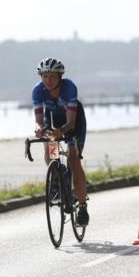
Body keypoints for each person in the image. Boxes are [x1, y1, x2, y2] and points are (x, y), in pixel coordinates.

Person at [32, 57, 89, 226]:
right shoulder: (38, 91)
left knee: (73, 160)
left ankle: (83, 207)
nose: (48, 80)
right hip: (53, 120)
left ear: (60, 77)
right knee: (50, 148)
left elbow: (70, 123)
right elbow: (39, 120)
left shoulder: (69, 88)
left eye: (52, 76)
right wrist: (39, 129)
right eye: (45, 76)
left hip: (74, 122)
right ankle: (58, 174)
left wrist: (61, 131)